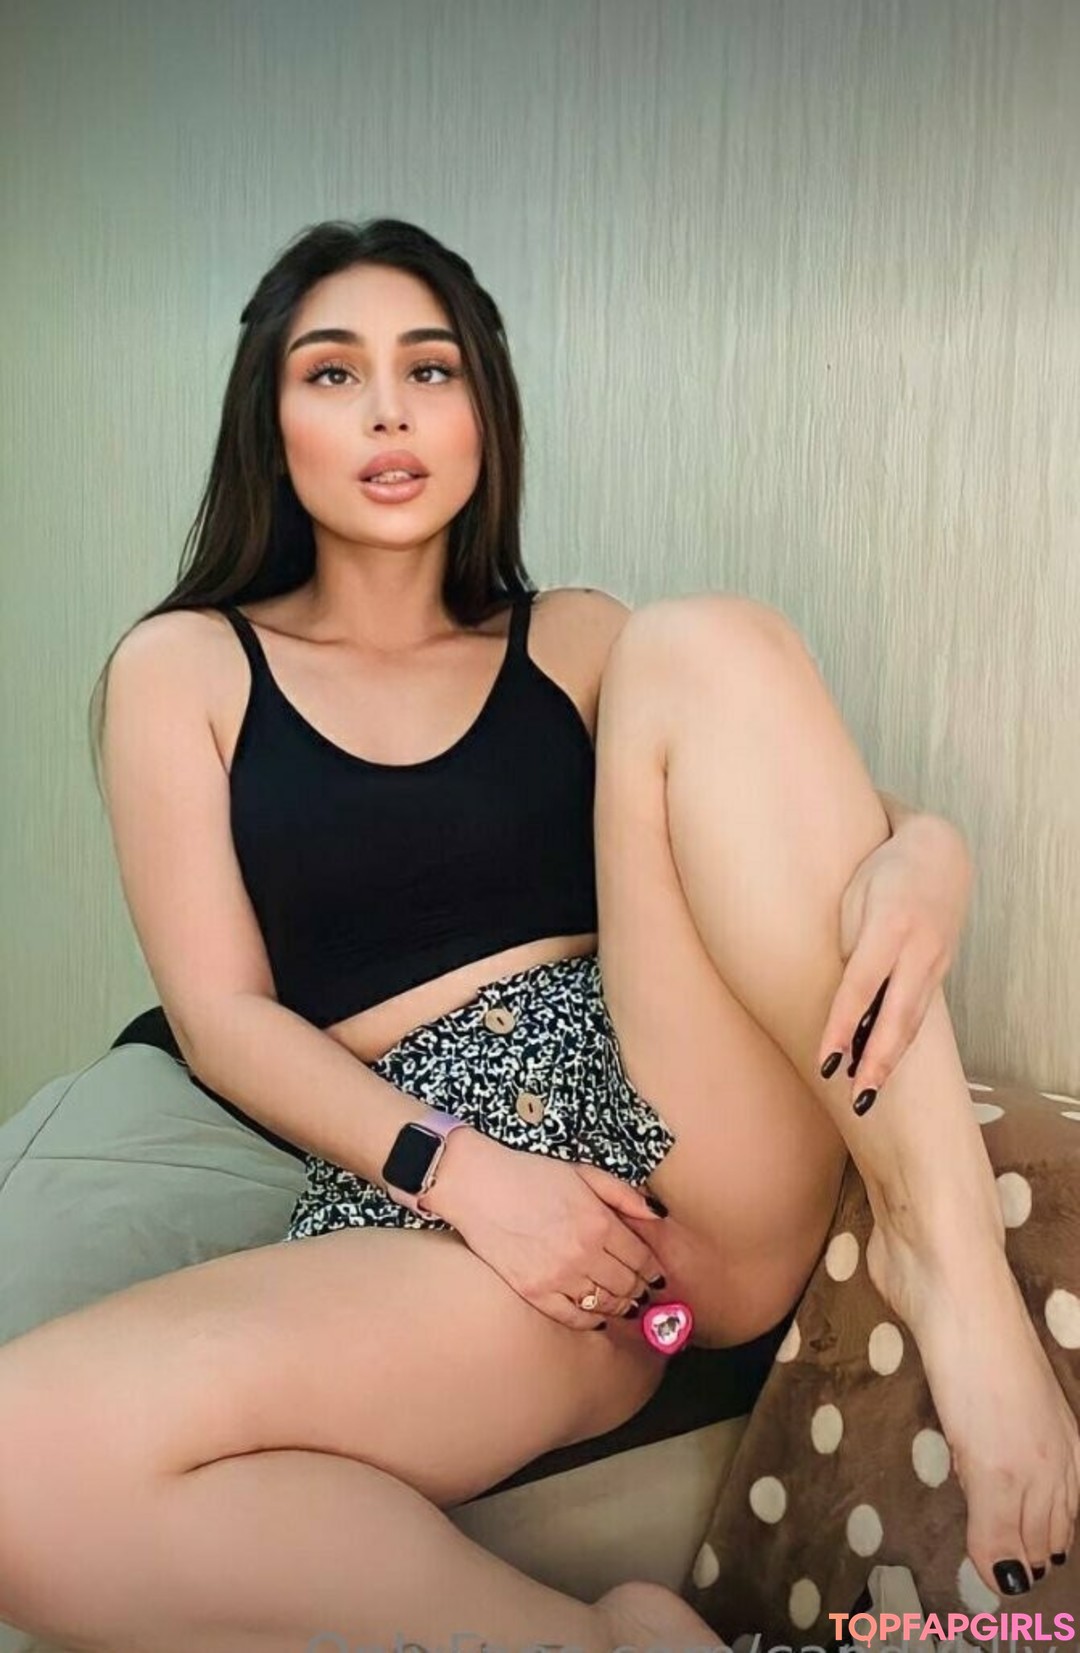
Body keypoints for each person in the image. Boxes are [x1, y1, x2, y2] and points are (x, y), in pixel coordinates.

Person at [0, 216, 1072, 1652]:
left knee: (704, 637)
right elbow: (223, 1020)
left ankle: (954, 1276)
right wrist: (469, 1180)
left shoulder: (572, 641)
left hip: (678, 1114)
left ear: (483, 414)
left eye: (430, 369)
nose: (388, 410)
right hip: (445, 1196)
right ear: (270, 420)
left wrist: (931, 849)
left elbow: (807, 807)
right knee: (20, 1458)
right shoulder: (185, 668)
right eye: (335, 373)